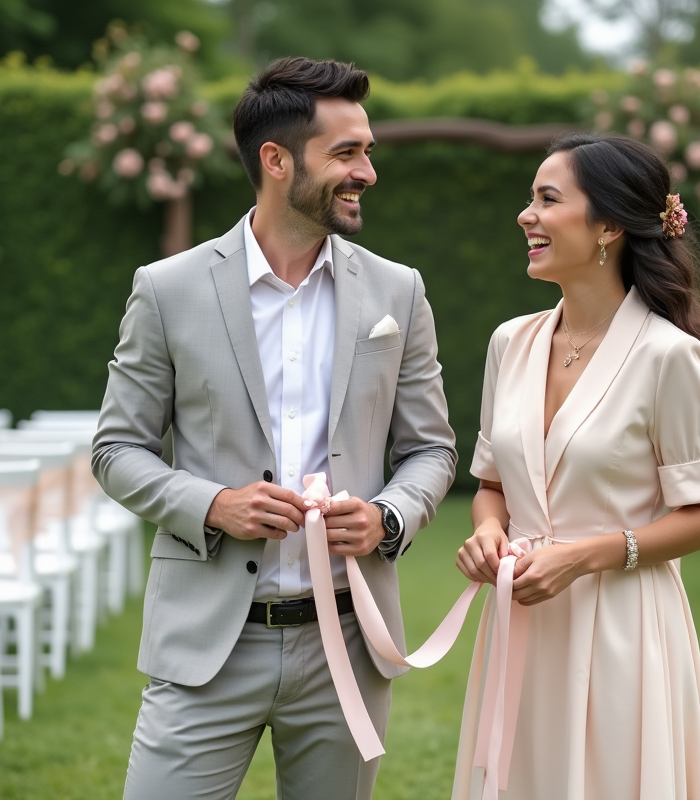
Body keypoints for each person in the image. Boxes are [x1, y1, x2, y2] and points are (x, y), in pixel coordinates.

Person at [92, 57, 457, 800]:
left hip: (347, 641)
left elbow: (431, 449)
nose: (367, 172)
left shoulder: (399, 291)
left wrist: (387, 516)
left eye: (368, 152)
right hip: (206, 641)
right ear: (276, 159)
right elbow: (116, 449)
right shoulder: (167, 289)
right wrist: (213, 505)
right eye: (346, 153)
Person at [452, 133, 700, 799]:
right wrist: (488, 532)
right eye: (530, 199)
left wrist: (583, 557)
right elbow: (491, 485)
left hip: (622, 627)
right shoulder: (509, 343)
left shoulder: (668, 356)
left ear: (608, 226)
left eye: (547, 199)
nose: (526, 215)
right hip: (521, 620)